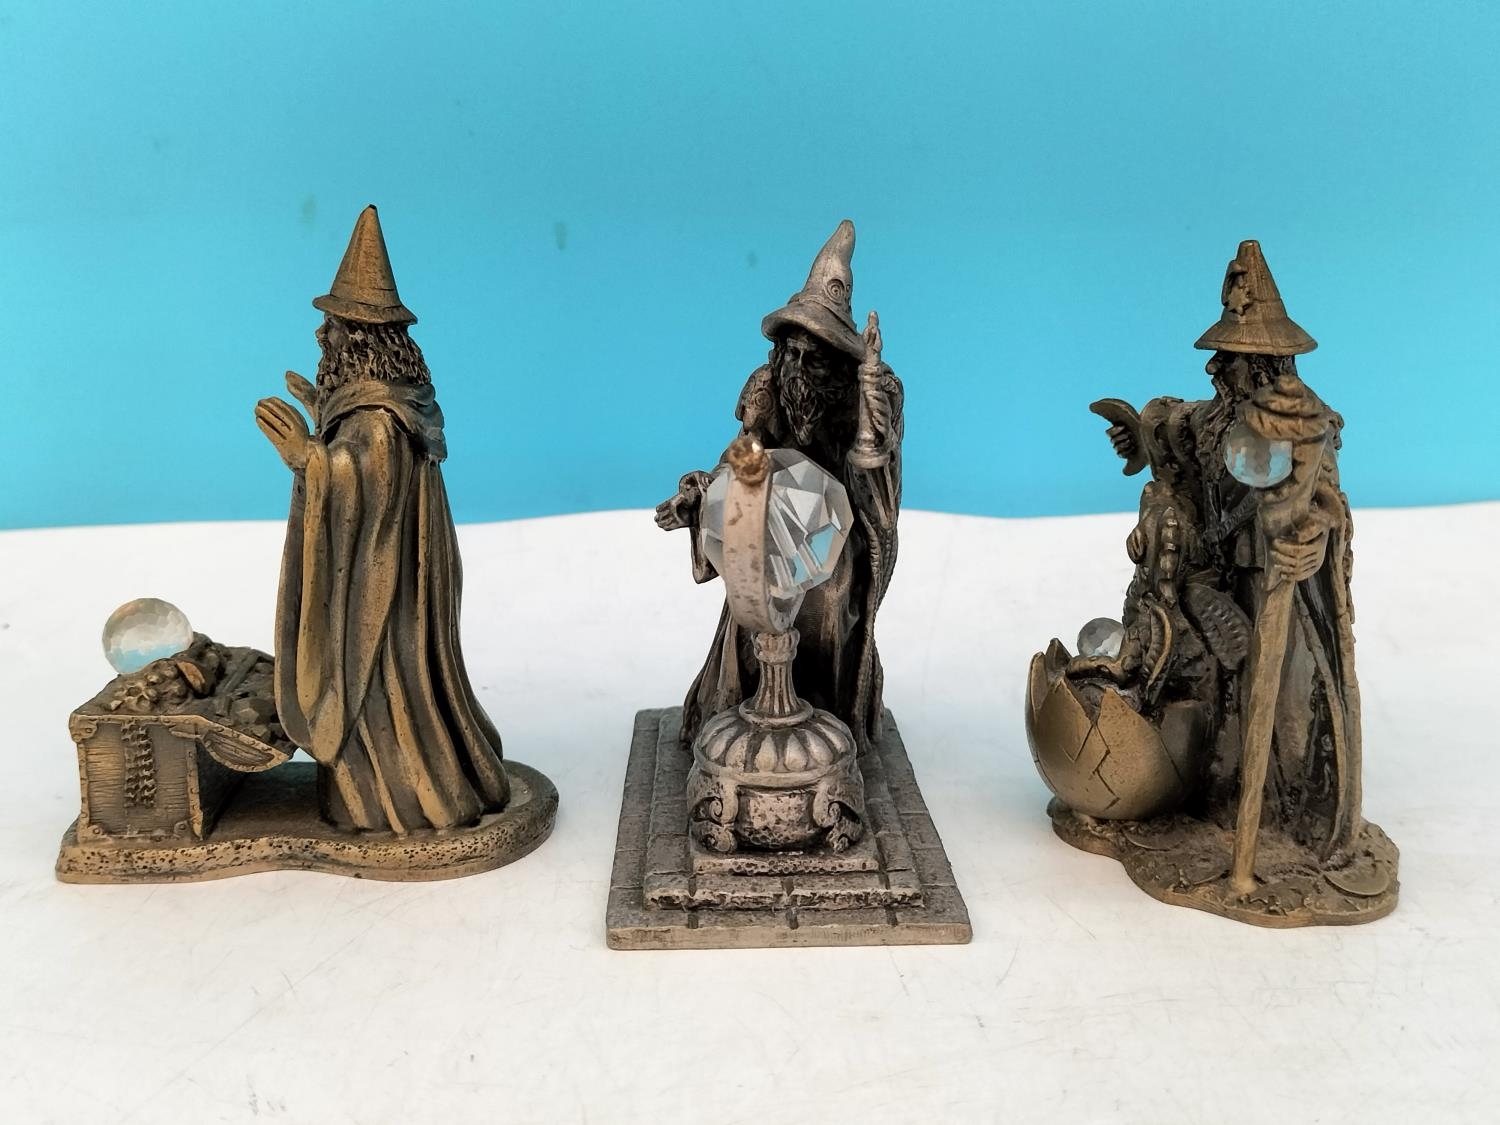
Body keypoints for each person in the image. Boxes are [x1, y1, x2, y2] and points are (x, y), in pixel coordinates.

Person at [254, 206, 508, 833]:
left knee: (380, 683)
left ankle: (396, 800)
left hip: (384, 591)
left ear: (360, 339)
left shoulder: (375, 416)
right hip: (405, 576)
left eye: (335, 327)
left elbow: (364, 482)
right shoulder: (388, 399)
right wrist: (324, 412)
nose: (323, 336)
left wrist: (307, 459)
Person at [1104, 241, 1361, 860]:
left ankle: (1284, 814)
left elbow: (1327, 501)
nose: (1224, 369)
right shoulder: (1214, 420)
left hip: (1277, 580)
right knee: (1212, 681)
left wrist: (1317, 541)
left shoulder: (1304, 426)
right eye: (1226, 357)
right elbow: (1169, 430)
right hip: (1217, 578)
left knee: (1286, 697)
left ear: (1269, 365)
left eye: (1240, 360)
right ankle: (1208, 794)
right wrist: (1136, 436)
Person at [656, 221, 903, 754]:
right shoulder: (768, 389)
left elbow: (873, 476)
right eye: (791, 352)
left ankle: (826, 719)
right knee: (752, 583)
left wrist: (869, 403)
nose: (799, 366)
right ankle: (744, 708)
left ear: (836, 360)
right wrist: (701, 498)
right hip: (767, 520)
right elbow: (741, 459)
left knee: (830, 594)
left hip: (837, 529)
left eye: (814, 355)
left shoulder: (863, 396)